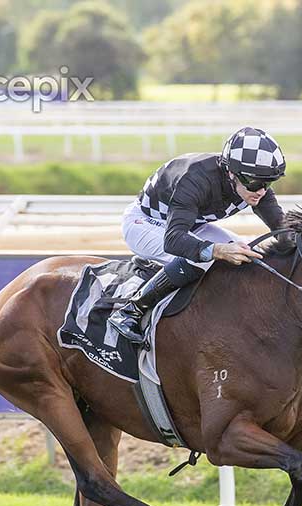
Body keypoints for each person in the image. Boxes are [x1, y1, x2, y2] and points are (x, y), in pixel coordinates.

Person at [107, 126, 288, 344]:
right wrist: (217, 250)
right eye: (256, 182)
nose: (261, 190)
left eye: (268, 183)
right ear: (231, 173)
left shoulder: (252, 184)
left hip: (190, 223)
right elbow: (173, 239)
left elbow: (281, 227)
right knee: (203, 259)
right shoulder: (195, 179)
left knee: (245, 252)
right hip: (145, 223)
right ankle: (131, 310)